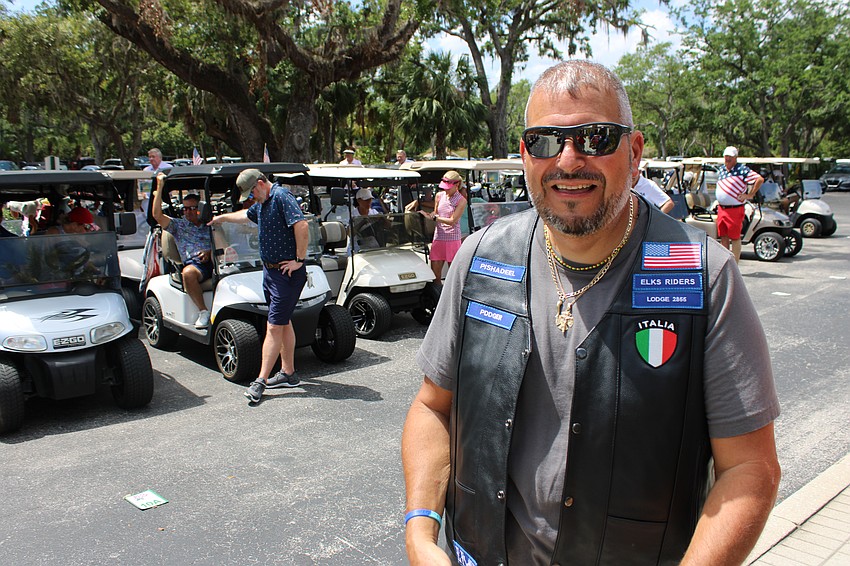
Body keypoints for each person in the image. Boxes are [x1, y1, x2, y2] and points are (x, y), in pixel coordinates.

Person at [402, 60, 780, 566]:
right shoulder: (480, 257)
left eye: (596, 138)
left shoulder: (703, 276)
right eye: (545, 140)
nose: (569, 160)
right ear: (524, 154)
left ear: (635, 150)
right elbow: (432, 406)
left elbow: (749, 468)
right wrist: (420, 531)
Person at [208, 169, 309, 403]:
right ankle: (288, 373)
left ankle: (260, 381)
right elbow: (246, 215)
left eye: (252, 191)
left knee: (274, 326)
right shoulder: (263, 202)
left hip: (286, 274)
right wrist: (222, 218)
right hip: (272, 272)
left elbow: (301, 226)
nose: (252, 197)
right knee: (283, 323)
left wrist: (299, 260)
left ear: (261, 183)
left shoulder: (282, 197)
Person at [151, 179, 213, 328]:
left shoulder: (211, 223)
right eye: (185, 209)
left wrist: (210, 252)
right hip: (197, 265)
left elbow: (226, 243)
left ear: (200, 208)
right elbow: (157, 215)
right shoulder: (178, 225)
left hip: (218, 260)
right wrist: (159, 188)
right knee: (188, 273)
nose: (187, 212)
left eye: (192, 208)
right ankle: (203, 311)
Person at [716, 146, 764, 263]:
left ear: (735, 158)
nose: (727, 159)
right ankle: (725, 263)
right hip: (722, 209)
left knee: (735, 237)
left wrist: (749, 194)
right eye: (726, 156)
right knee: (723, 236)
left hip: (734, 208)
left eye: (730, 157)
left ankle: (735, 264)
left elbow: (759, 179)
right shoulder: (722, 169)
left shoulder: (742, 170)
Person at [419, 170, 467, 281]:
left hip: (452, 239)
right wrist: (427, 215)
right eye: (444, 187)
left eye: (448, 187)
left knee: (454, 277)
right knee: (435, 276)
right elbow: (436, 213)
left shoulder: (461, 200)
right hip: (439, 236)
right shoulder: (439, 196)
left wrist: (435, 218)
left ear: (457, 185)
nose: (445, 190)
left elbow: (453, 221)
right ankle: (436, 296)